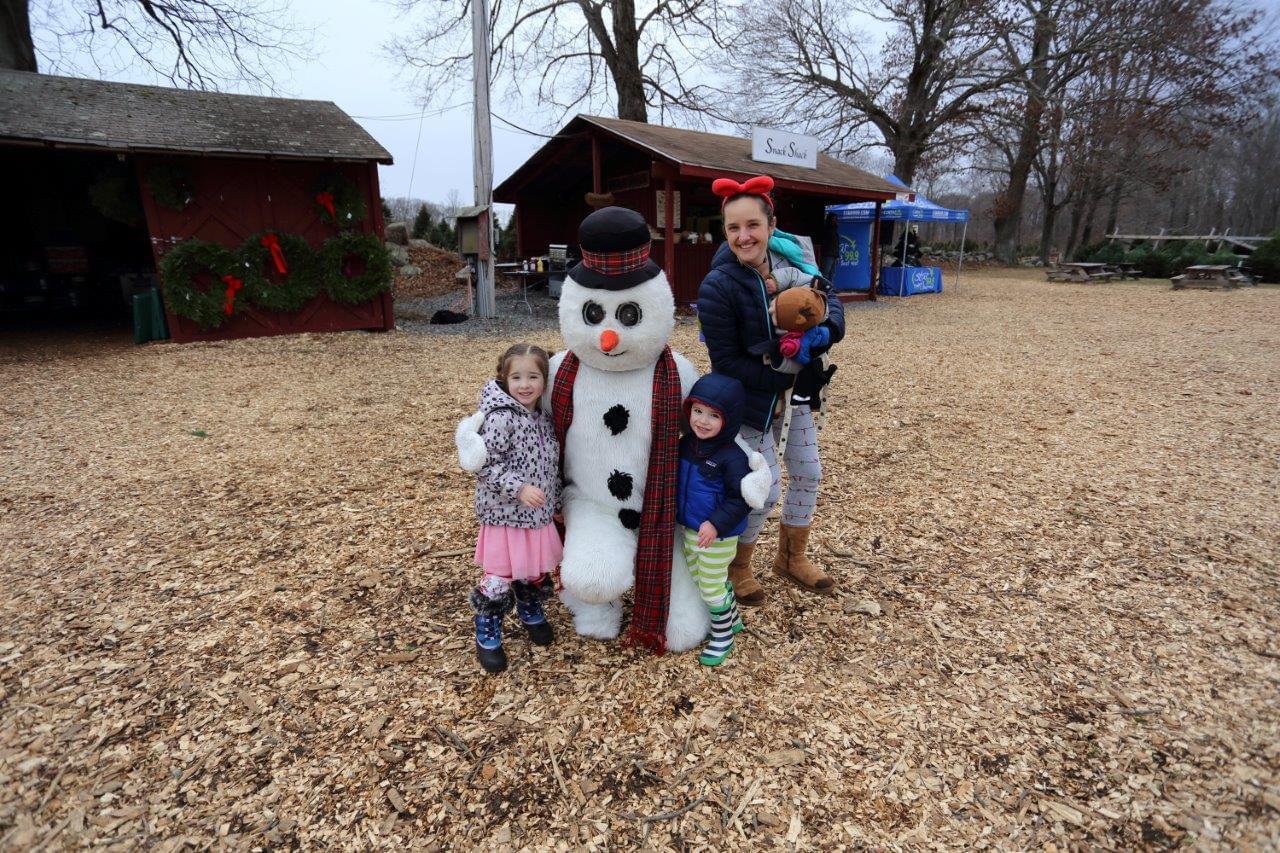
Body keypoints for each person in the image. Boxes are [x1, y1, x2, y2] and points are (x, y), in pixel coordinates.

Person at [697, 174, 845, 605]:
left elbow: (828, 300)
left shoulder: (794, 258)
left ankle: (790, 557)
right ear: (724, 232)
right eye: (733, 228)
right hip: (754, 400)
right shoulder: (719, 284)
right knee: (763, 488)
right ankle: (737, 566)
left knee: (809, 473)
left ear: (770, 224)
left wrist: (829, 330)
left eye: (752, 226)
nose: (744, 237)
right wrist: (787, 376)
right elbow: (726, 362)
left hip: (797, 397)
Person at [467, 343, 562, 674]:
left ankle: (529, 607)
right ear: (505, 379)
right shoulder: (500, 418)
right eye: (517, 377)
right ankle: (488, 629)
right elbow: (483, 465)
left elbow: (552, 468)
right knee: (499, 575)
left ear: (545, 380)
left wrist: (556, 503)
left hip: (537, 516)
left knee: (533, 568)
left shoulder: (544, 418)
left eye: (533, 376)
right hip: (505, 515)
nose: (525, 385)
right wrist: (518, 488)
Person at [677, 374, 751, 666]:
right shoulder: (687, 445)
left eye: (713, 415)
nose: (703, 421)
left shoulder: (733, 457)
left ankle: (723, 636)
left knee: (709, 587)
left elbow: (741, 498)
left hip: (717, 535)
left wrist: (716, 523)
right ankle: (732, 619)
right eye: (697, 411)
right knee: (703, 578)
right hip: (691, 528)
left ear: (729, 419)